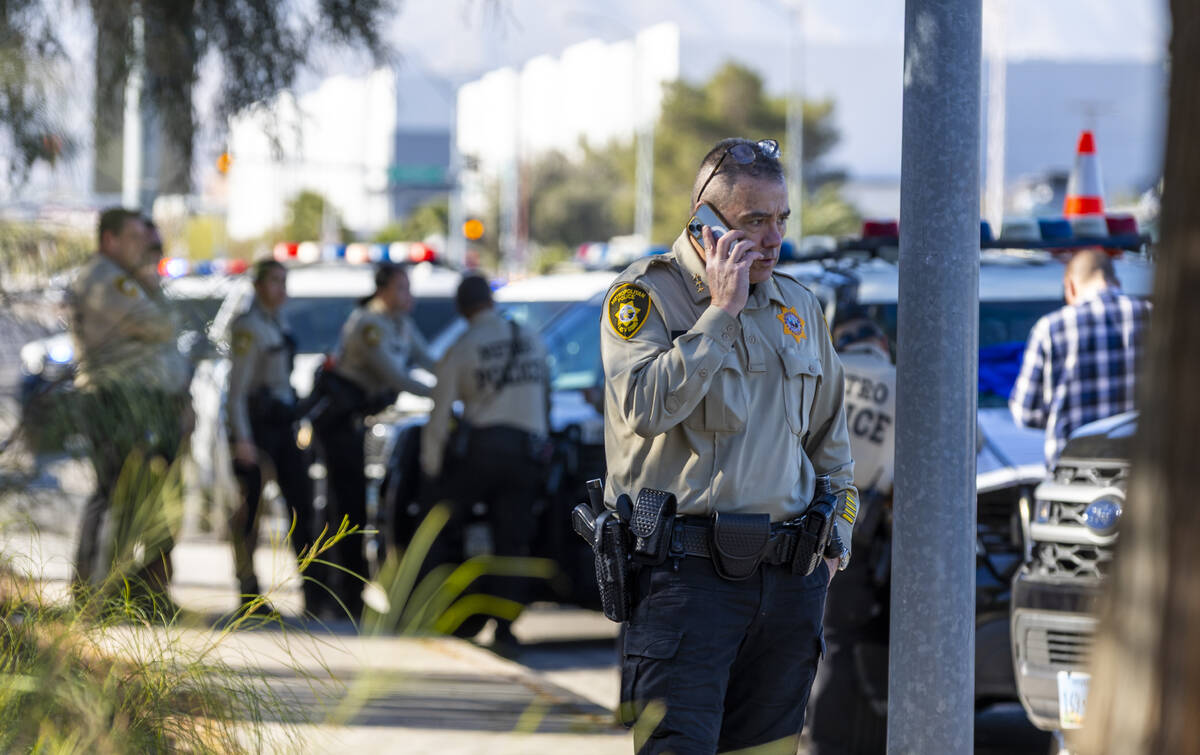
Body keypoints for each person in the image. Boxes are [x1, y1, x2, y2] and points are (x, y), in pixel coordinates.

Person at [601, 137, 858, 753]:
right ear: (705, 223)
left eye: (781, 220)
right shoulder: (643, 298)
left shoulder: (798, 305)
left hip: (790, 583)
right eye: (754, 222)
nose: (774, 239)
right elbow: (644, 407)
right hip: (686, 585)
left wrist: (834, 545)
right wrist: (720, 313)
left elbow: (832, 445)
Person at [68, 208, 192, 607]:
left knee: (144, 497)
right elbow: (160, 325)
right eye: (136, 239)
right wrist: (149, 287)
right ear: (110, 240)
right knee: (112, 493)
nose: (143, 248)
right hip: (112, 400)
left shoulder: (128, 279)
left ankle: (135, 591)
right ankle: (90, 592)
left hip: (144, 401)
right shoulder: (105, 278)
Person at [420, 275, 551, 649]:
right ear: (490, 302)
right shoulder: (529, 336)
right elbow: (546, 397)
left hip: (485, 450)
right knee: (513, 539)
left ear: (462, 309)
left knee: (442, 523)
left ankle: (434, 607)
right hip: (528, 452)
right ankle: (506, 627)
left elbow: (438, 418)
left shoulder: (463, 346)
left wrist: (431, 472)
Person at [312, 262, 435, 620]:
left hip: (361, 425)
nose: (407, 295)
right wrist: (444, 393)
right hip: (340, 426)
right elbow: (397, 377)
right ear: (383, 291)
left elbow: (428, 359)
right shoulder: (369, 324)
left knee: (357, 507)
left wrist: (457, 378)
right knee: (344, 508)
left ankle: (350, 592)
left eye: (408, 287)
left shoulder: (400, 322)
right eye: (401, 288)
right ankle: (343, 595)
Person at [807, 317, 897, 754]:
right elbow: (966, 444)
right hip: (879, 527)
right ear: (880, 343)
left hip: (819, 518)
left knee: (832, 638)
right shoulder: (903, 380)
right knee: (875, 638)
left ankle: (826, 738)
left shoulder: (823, 375)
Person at [226, 260, 325, 615]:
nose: (281, 289)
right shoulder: (249, 329)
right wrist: (243, 439)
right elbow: (236, 391)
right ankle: (248, 593)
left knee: (301, 507)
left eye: (285, 281)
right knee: (248, 514)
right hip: (256, 428)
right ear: (258, 286)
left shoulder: (278, 323)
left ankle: (314, 594)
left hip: (282, 427)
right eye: (274, 282)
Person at [1010, 249, 1151, 467]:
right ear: (1117, 282)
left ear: (1071, 286)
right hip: (1140, 471)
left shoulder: (1051, 328)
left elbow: (1025, 413)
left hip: (1073, 477)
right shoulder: (1152, 317)